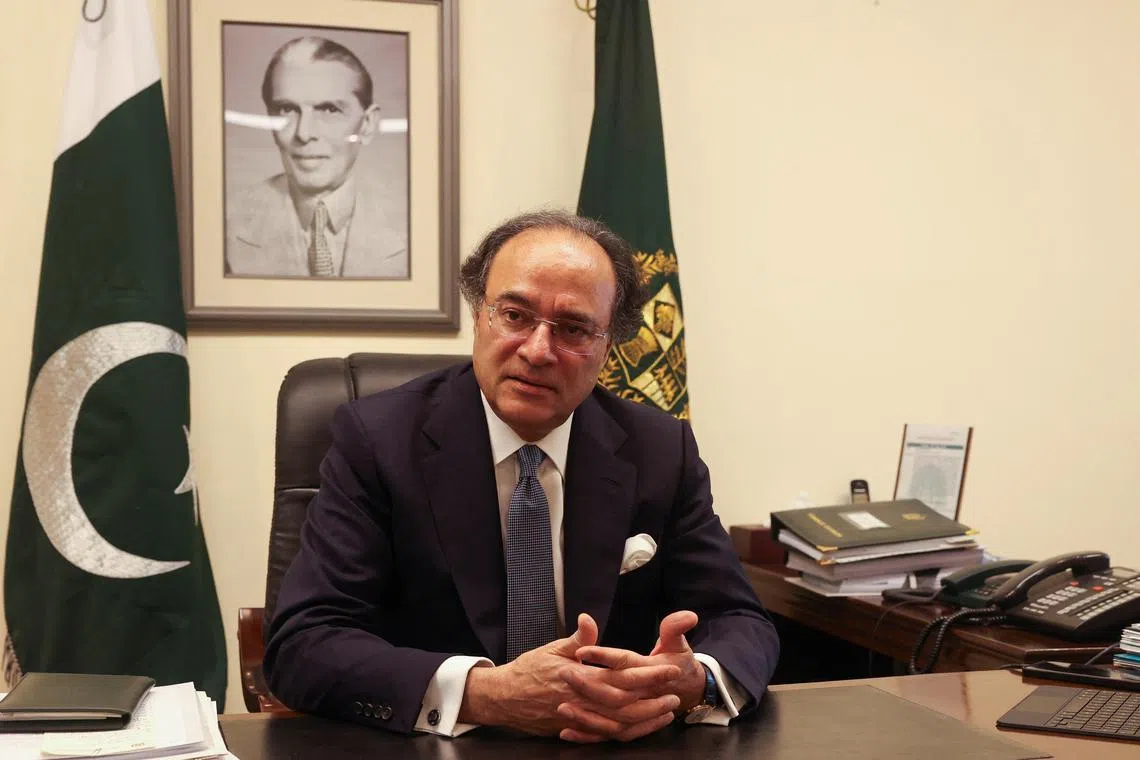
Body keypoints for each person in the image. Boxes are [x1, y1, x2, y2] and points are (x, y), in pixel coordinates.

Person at [263, 210, 780, 742]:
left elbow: (740, 621)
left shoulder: (658, 449)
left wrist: (690, 682)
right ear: (479, 315)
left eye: (574, 328)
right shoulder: (377, 440)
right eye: (514, 315)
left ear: (608, 346)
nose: (537, 350)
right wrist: (489, 695)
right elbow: (304, 644)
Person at [225, 36, 407, 279]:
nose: (304, 133)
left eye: (329, 110)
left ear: (367, 124)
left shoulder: (413, 229)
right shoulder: (224, 226)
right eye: (287, 109)